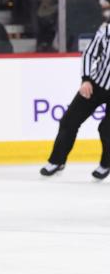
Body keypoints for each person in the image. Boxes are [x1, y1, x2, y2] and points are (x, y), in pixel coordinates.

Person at [40, 19, 110, 180]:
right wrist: (86, 79)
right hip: (97, 84)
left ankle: (106, 164)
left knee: (107, 129)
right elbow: (90, 54)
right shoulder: (106, 32)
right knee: (69, 121)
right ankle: (57, 161)